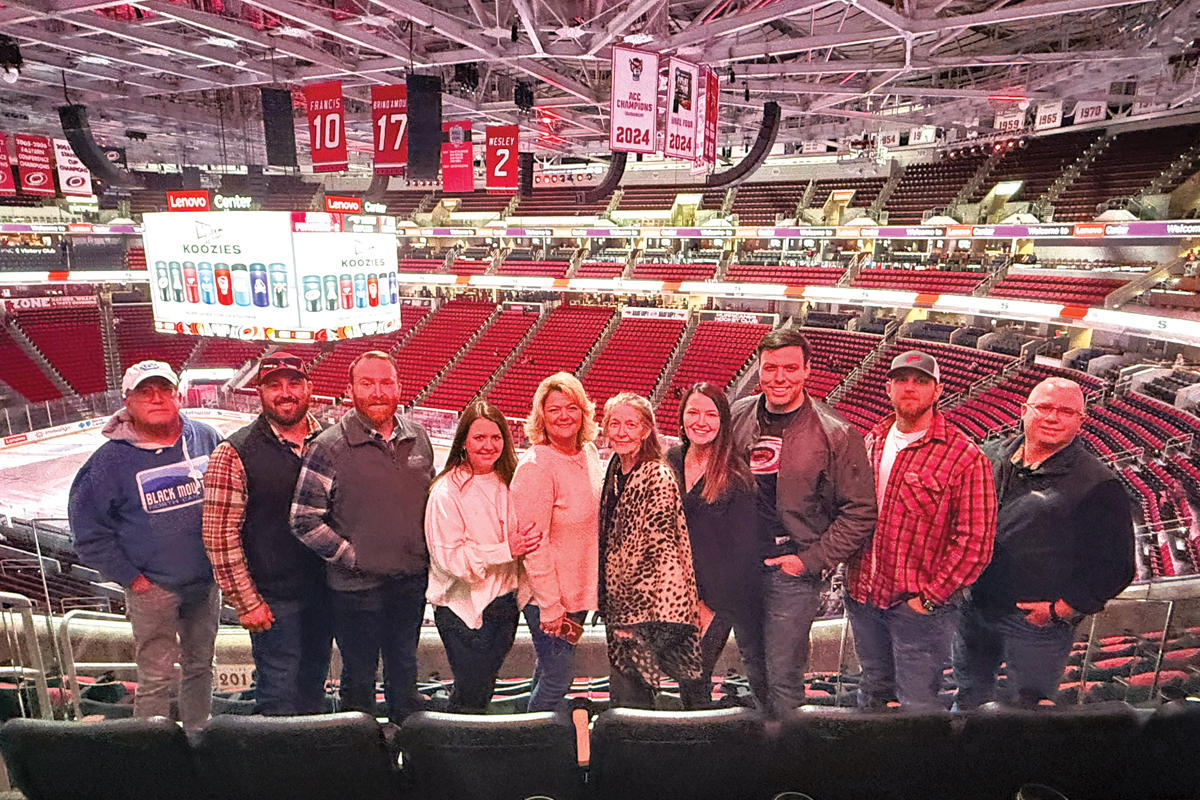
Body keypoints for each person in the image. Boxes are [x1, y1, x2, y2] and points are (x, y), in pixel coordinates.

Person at [954, 377, 1135, 708]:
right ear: (1024, 411)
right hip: (975, 605)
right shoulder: (990, 456)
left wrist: (1059, 609)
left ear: (1081, 420)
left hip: (1034, 623)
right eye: (1045, 408)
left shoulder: (1098, 484)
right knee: (969, 691)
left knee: (1027, 711)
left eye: (1066, 411)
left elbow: (1118, 566)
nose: (1053, 417)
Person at [730, 328, 876, 717]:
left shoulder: (838, 433)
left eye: (790, 368)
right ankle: (765, 751)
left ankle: (791, 760)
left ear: (808, 370)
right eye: (771, 367)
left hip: (791, 570)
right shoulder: (737, 416)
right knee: (754, 667)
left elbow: (860, 511)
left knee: (783, 675)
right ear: (758, 369)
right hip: (743, 566)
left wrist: (809, 561)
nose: (780, 377)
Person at [68, 360, 222, 730]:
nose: (157, 398)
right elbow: (88, 532)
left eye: (164, 390)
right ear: (128, 401)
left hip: (206, 583)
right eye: (145, 392)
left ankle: (198, 737)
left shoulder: (205, 437)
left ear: (179, 396)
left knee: (201, 667)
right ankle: (149, 754)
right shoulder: (107, 463)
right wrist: (132, 579)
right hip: (153, 589)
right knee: (155, 678)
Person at [844, 351, 996, 710]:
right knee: (874, 691)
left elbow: (975, 543)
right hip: (865, 598)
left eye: (921, 381)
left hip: (918, 608)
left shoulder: (965, 456)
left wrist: (927, 599)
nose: (909, 388)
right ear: (888, 388)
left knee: (918, 703)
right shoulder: (873, 440)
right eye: (901, 380)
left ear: (938, 390)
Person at [290, 350, 434, 723]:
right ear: (350, 390)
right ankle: (363, 760)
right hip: (356, 590)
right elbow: (303, 518)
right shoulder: (328, 446)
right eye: (367, 383)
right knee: (359, 678)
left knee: (405, 672)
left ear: (399, 387)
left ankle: (410, 756)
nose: (378, 392)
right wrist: (353, 556)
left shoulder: (418, 437)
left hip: (410, 582)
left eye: (386, 382)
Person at [202, 353, 332, 715]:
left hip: (324, 593)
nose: (285, 393)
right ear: (259, 391)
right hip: (273, 602)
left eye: (293, 383)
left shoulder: (330, 443)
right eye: (274, 385)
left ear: (309, 388)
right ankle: (279, 769)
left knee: (312, 687)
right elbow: (219, 536)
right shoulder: (234, 452)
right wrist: (247, 602)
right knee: (278, 696)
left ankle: (310, 766)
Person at [425, 402, 542, 713]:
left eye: (495, 436)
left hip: (503, 603)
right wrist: (506, 550)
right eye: (479, 438)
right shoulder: (446, 492)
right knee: (471, 693)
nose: (488, 445)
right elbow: (449, 559)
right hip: (461, 608)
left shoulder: (511, 482)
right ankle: (453, 752)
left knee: (484, 687)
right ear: (463, 441)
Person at [599, 393, 707, 710]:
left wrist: (632, 622)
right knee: (628, 693)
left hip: (646, 611)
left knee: (632, 697)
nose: (621, 431)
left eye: (631, 424)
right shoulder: (616, 467)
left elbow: (656, 552)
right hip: (621, 606)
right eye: (614, 424)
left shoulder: (656, 476)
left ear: (646, 430)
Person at [666, 383, 767, 708]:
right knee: (687, 682)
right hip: (678, 592)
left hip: (720, 596)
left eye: (711, 414)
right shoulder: (672, 459)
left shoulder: (736, 475)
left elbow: (739, 553)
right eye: (693, 412)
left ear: (723, 422)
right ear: (681, 419)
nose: (701, 421)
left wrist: (705, 604)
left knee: (694, 676)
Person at [510, 372, 603, 712]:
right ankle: (532, 748)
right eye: (554, 409)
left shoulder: (589, 452)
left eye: (572, 407)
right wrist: (549, 605)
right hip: (547, 599)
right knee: (558, 678)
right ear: (541, 416)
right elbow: (534, 544)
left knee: (549, 670)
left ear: (583, 412)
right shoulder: (536, 466)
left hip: (575, 594)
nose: (564, 416)